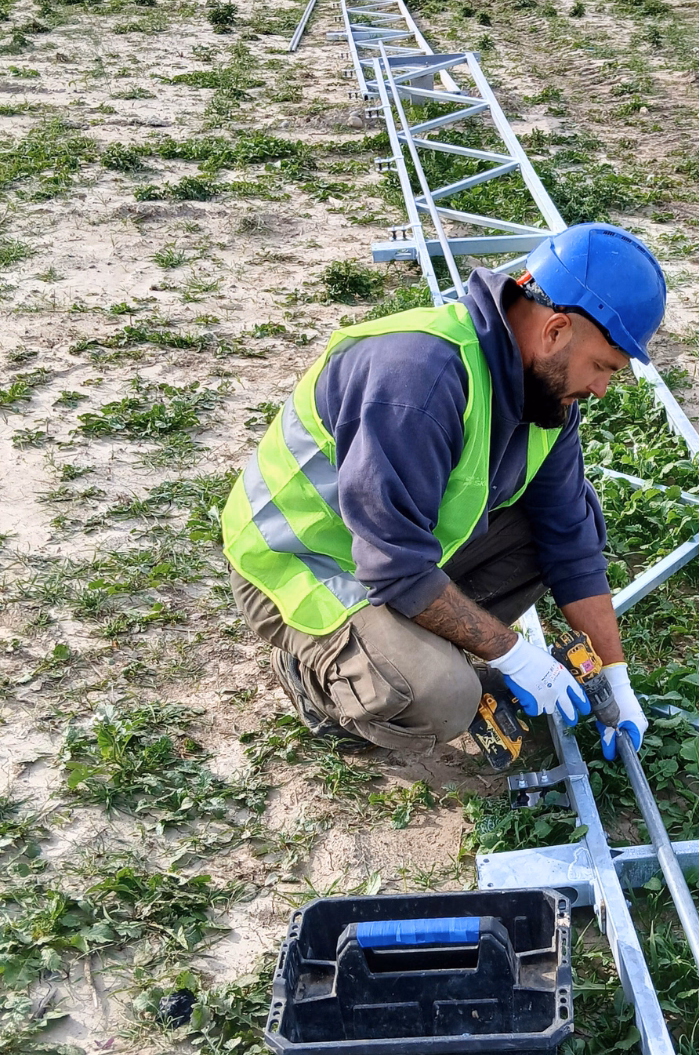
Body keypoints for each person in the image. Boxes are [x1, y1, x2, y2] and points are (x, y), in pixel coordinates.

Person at [221, 222, 666, 760]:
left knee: (569, 521)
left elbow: (569, 540)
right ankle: (319, 677)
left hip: (389, 548)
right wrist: (512, 655)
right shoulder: (419, 380)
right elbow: (393, 566)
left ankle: (402, 640)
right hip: (301, 563)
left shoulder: (547, 396)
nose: (600, 389)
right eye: (601, 367)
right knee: (441, 694)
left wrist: (615, 680)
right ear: (553, 331)